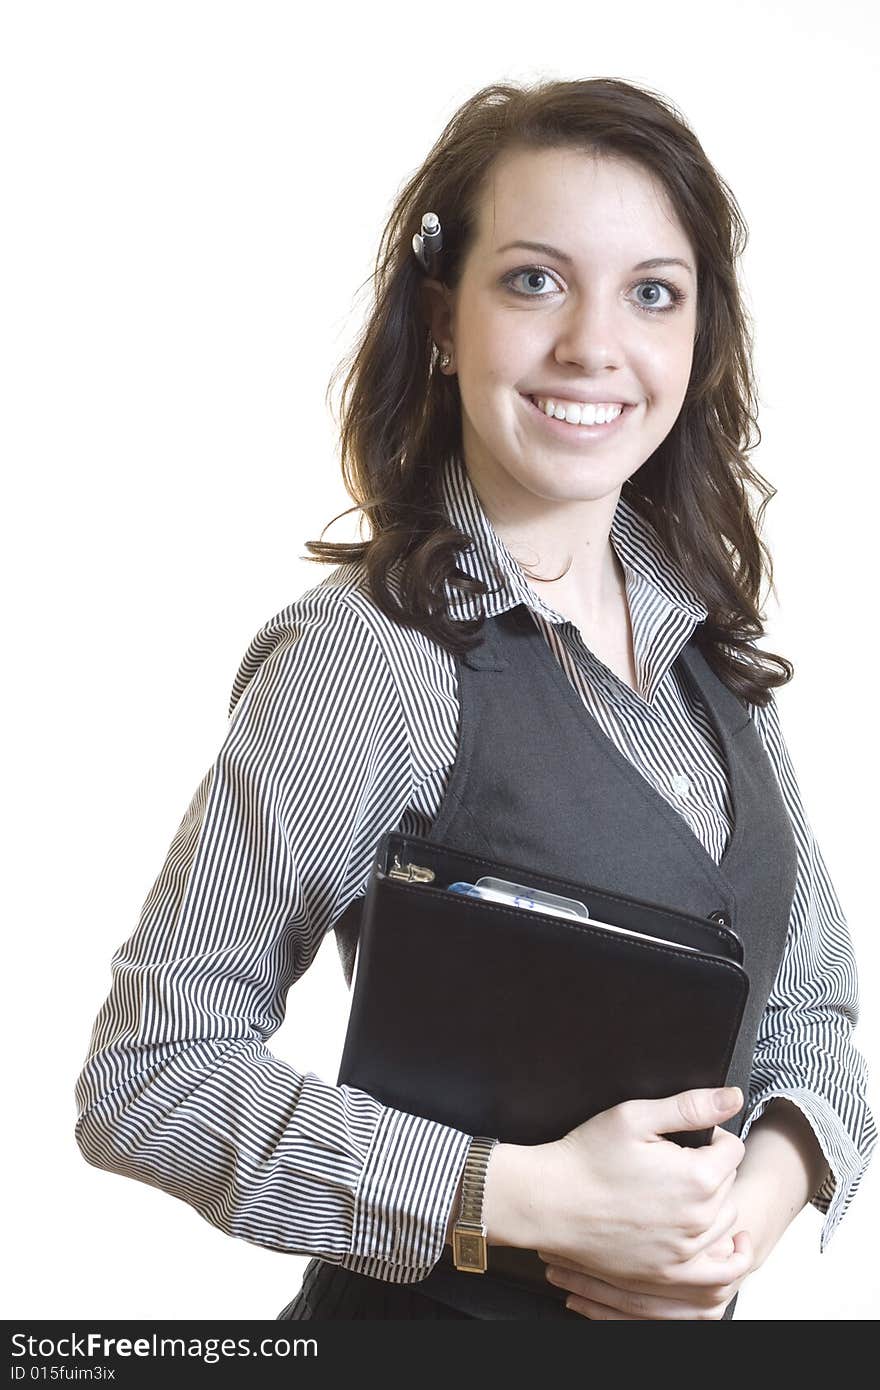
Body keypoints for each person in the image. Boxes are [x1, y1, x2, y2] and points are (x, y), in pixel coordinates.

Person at [74, 76, 876, 1322]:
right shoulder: (371, 657)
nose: (593, 347)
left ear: (697, 338)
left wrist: (735, 1222)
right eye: (535, 280)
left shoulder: (710, 653)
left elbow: (812, 1005)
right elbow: (149, 1075)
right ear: (444, 316)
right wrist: (524, 1197)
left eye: (651, 293)